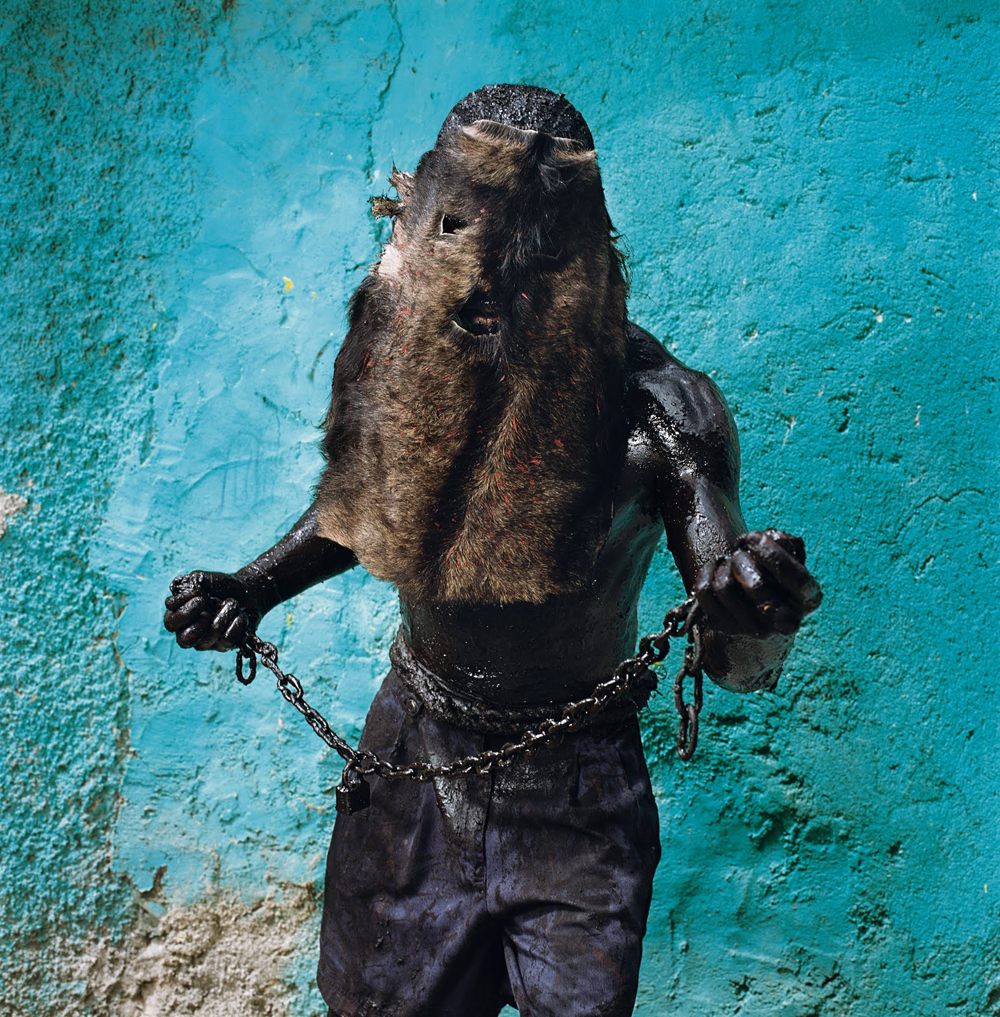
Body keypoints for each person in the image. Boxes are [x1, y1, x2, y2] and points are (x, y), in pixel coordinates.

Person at [164, 84, 821, 1017]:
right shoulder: (413, 357)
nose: (484, 278)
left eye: (527, 248)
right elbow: (374, 508)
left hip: (576, 785)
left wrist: (759, 611)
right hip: (412, 760)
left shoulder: (660, 417)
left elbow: (735, 657)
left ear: (580, 255)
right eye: (456, 232)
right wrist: (255, 586)